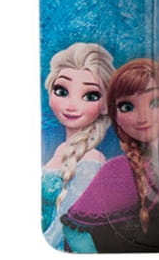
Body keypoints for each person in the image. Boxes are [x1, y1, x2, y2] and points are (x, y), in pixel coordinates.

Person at [62, 58, 159, 252]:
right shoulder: (119, 170)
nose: (142, 117)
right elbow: (74, 230)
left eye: (155, 102)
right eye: (126, 107)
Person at [42, 42, 115, 249]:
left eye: (90, 96)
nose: (72, 106)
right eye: (61, 91)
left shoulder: (92, 160)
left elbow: (65, 224)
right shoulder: (60, 150)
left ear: (105, 105)